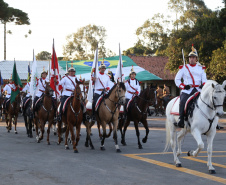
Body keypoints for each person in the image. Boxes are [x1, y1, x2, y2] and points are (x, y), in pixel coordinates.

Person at [174, 45, 207, 128]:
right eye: (190, 57)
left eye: (193, 57)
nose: (191, 59)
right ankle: (181, 119)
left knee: (209, 100)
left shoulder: (201, 68)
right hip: (188, 90)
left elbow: (205, 80)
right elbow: (177, 79)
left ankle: (213, 120)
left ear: (196, 59)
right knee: (183, 100)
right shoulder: (184, 68)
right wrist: (184, 86)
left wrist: (203, 85)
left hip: (198, 90)